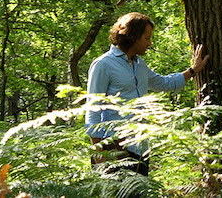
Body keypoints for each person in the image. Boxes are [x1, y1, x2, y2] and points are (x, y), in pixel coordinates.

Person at [84, 12, 209, 175]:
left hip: (140, 147)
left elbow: (164, 83)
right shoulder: (103, 65)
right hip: (113, 149)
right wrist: (99, 153)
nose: (149, 43)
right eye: (147, 38)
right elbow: (93, 111)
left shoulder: (139, 64)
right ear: (133, 36)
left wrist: (193, 70)